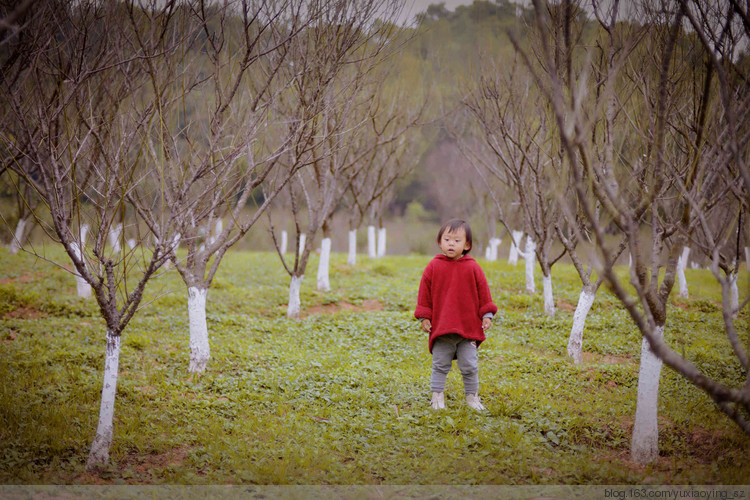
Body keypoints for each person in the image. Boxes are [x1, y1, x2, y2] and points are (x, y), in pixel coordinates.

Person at [414, 219, 497, 411]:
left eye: (457, 240)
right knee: (440, 364)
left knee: (469, 365)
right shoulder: (433, 267)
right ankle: (437, 397)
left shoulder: (473, 267)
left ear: (467, 245)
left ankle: (472, 397)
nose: (451, 243)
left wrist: (487, 314)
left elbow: (484, 293)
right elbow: (424, 294)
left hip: (468, 328)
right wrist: (424, 316)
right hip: (442, 328)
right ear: (439, 242)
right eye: (447, 239)